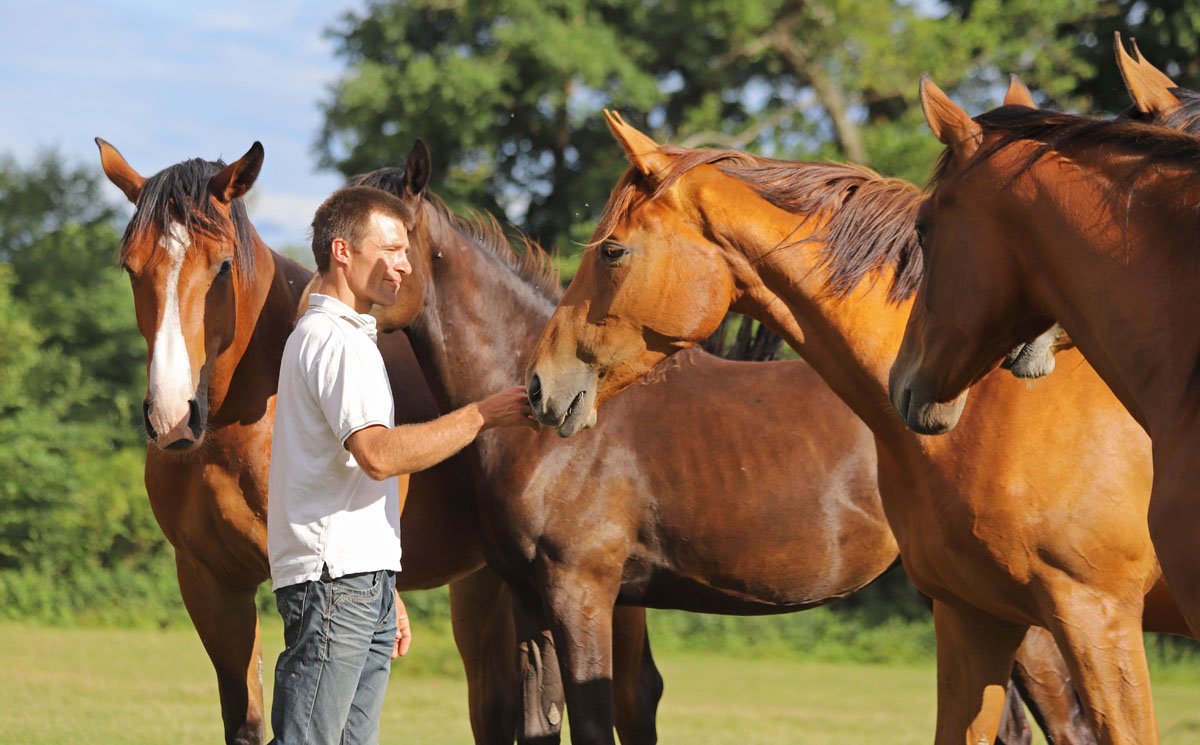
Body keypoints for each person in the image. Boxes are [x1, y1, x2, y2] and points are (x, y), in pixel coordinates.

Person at [266, 186, 532, 745]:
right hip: (335, 583)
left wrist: (384, 581)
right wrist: (482, 415)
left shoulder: (344, 337)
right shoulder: (336, 341)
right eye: (390, 249)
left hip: (357, 579)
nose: (405, 264)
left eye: (406, 252)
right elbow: (379, 455)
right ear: (342, 251)